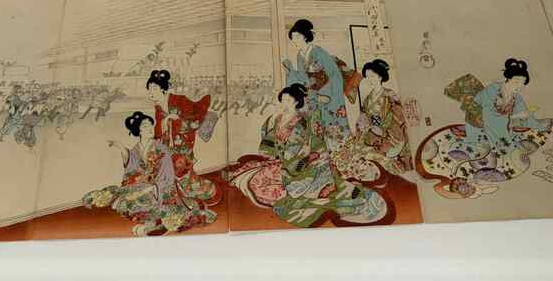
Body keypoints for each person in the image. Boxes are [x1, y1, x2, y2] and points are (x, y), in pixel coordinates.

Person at [226, 83, 389, 228]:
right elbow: (269, 140)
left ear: (296, 102)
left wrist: (291, 164)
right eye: (282, 100)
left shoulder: (302, 122)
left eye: (288, 100)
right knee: (251, 175)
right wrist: (271, 154)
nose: (284, 103)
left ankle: (333, 197)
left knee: (282, 186)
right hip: (282, 161)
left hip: (300, 164)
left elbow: (304, 147)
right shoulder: (277, 119)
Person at [416, 58, 552, 199]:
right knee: (483, 152)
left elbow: (524, 116)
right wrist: (511, 122)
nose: (519, 86)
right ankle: (460, 179)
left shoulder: (515, 98)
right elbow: (488, 117)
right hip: (477, 123)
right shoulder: (492, 90)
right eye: (517, 82)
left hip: (499, 128)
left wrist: (537, 124)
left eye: (522, 84)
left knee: (513, 150)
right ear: (508, 78)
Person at [82, 112, 217, 236]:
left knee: (142, 201)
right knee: (121, 199)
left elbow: (167, 176)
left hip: (162, 188)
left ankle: (155, 222)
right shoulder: (137, 148)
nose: (150, 128)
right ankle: (152, 221)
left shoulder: (160, 148)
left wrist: (150, 188)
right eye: (145, 126)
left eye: (151, 125)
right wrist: (121, 148)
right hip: (145, 184)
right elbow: (133, 167)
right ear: (139, 130)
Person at [282, 19, 361, 156]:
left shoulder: (319, 52)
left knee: (333, 129)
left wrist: (327, 95)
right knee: (314, 128)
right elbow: (303, 79)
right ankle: (321, 157)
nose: (294, 40)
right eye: (292, 38)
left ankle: (341, 156)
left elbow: (334, 75)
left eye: (296, 36)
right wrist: (291, 72)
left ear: (305, 36)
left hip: (329, 96)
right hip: (314, 98)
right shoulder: (300, 56)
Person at [146, 70, 222, 207]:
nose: (151, 91)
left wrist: (175, 119)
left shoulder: (179, 100)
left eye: (154, 88)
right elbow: (158, 131)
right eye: (149, 88)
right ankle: (174, 196)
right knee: (159, 165)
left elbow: (193, 119)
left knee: (181, 169)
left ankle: (202, 191)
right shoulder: (158, 107)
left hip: (183, 143)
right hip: (168, 144)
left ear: (163, 89)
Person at [333, 59, 412, 177]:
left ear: (380, 77)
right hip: (371, 134)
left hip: (389, 137)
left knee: (370, 157)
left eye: (372, 76)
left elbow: (399, 119)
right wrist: (363, 126)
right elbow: (363, 117)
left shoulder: (390, 95)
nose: (369, 79)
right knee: (351, 150)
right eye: (367, 76)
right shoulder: (368, 98)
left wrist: (382, 131)